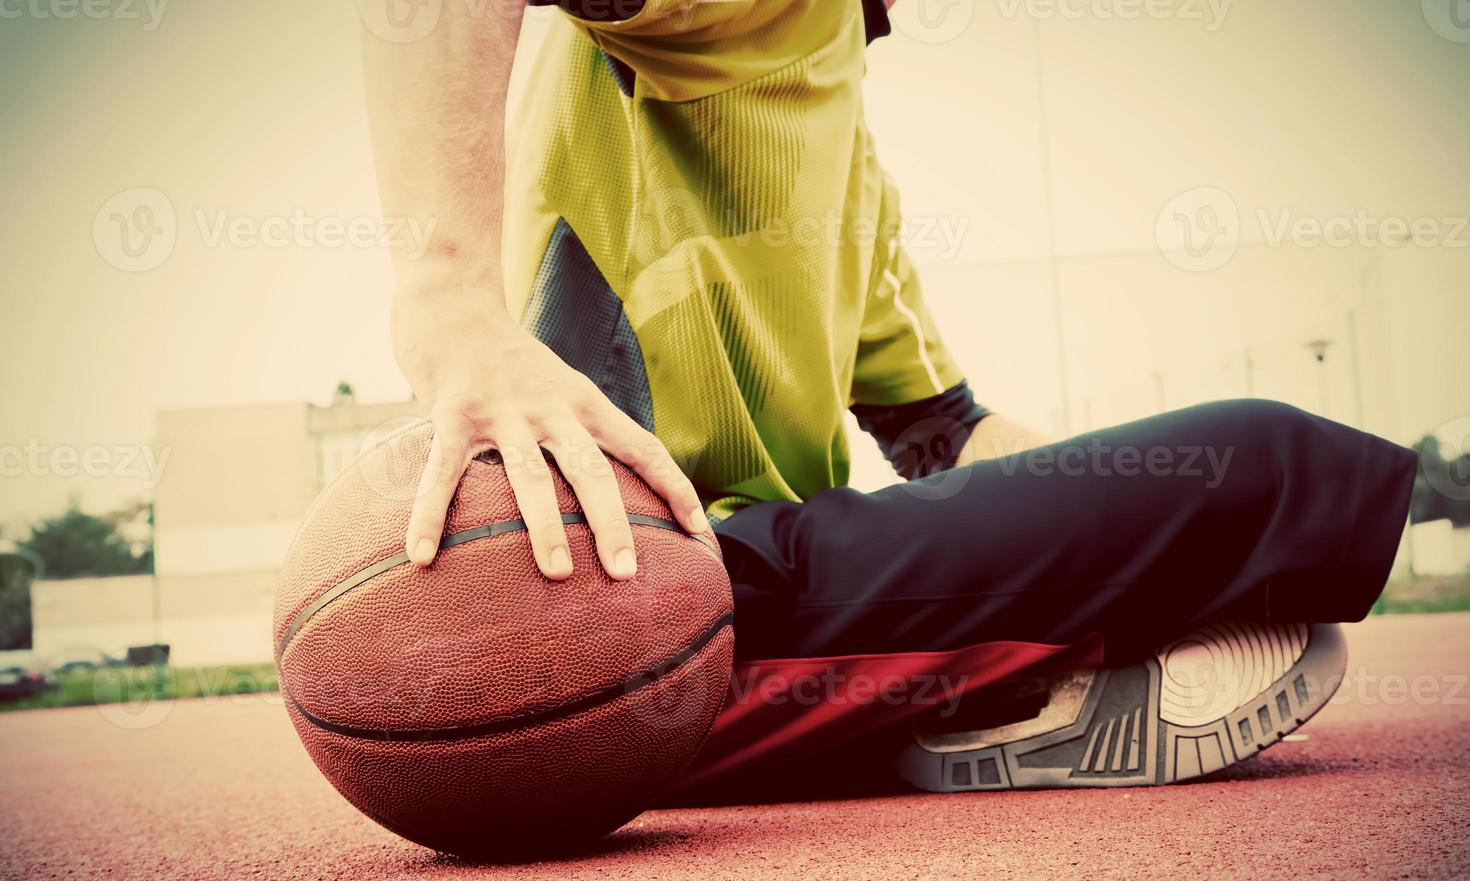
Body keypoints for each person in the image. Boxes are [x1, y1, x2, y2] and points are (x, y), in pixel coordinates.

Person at [361, 0, 1416, 794]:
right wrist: (447, 298)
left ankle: (977, 686)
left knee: (1230, 513)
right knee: (1279, 468)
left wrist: (1116, 548)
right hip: (626, 578)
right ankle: (1001, 684)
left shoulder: (845, 133)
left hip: (751, 581)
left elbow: (944, 431)